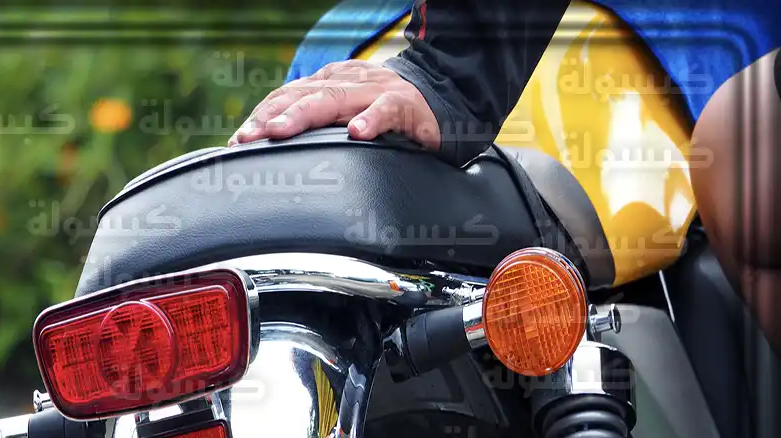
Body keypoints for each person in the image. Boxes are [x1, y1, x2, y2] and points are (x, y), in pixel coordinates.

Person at [228, 0, 781, 355]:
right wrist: (448, 75)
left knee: (739, 151)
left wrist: (449, 74)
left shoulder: (331, 46)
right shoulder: (331, 51)